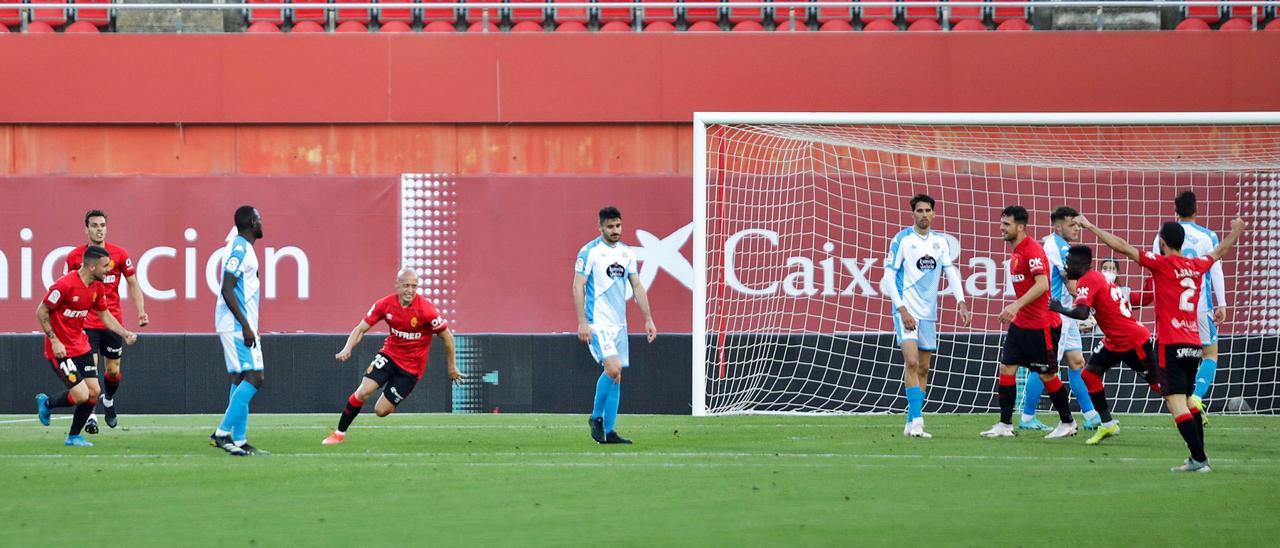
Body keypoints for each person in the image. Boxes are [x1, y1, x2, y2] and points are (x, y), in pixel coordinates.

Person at [1080, 214, 1245, 472]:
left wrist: (1091, 227)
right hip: (1194, 345)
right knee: (1189, 402)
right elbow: (1219, 251)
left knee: (1175, 404)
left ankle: (1199, 459)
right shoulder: (1197, 264)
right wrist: (1235, 232)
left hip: (1171, 344)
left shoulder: (1160, 264)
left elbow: (1121, 246)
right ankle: (1198, 458)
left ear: (1164, 243)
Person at [323, 269, 461, 445]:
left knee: (380, 411)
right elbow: (361, 328)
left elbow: (447, 337)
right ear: (397, 285)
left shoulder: (427, 310)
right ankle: (339, 434)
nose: (410, 290)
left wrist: (452, 367)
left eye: (414, 286)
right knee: (363, 391)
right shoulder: (384, 305)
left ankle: (391, 399)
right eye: (406, 286)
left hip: (411, 369)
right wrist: (347, 347)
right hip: (389, 356)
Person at [980, 206, 1077, 439]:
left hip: (1041, 324)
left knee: (1047, 375)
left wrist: (1015, 306)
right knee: (1006, 368)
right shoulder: (1017, 251)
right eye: (1002, 223)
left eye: (1007, 224)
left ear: (1020, 227)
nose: (1002, 228)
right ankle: (1005, 424)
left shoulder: (1032, 250)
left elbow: (1043, 284)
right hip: (1022, 324)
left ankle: (1068, 422)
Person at [879, 194, 972, 438]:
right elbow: (889, 277)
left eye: (927, 210)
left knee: (923, 367)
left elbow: (951, 273)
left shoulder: (940, 242)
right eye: (919, 210)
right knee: (910, 361)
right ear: (913, 213)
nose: (923, 214)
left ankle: (911, 421)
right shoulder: (902, 239)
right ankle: (918, 420)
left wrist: (961, 301)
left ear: (934, 214)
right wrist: (902, 309)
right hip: (906, 310)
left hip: (928, 313)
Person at [1050, 245, 1160, 445]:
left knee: (1159, 385)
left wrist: (1060, 308)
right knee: (1088, 375)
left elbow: (1082, 313)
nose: (1066, 266)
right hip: (1114, 340)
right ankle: (1107, 423)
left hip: (1131, 340)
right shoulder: (1098, 278)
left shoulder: (1088, 280)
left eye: (1068, 263)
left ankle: (1191, 408)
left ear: (1080, 264)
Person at [35, 245, 138, 447]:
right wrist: (54, 340)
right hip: (60, 350)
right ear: (91, 267)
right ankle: (46, 403)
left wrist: (124, 333)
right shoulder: (64, 285)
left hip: (80, 346)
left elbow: (105, 316)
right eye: (104, 266)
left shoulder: (97, 288)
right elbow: (41, 311)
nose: (108, 270)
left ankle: (73, 437)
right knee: (81, 394)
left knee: (93, 392)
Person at [573, 206, 657, 444]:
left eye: (618, 226)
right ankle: (595, 418)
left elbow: (638, 287)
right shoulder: (589, 252)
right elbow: (578, 286)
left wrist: (648, 319)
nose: (615, 230)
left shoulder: (627, 253)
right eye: (610, 226)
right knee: (612, 369)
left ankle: (609, 432)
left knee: (617, 376)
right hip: (597, 324)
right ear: (600, 227)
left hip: (620, 325)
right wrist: (582, 322)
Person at [64, 209, 149, 433]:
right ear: (87, 229)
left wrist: (141, 311)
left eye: (102, 225)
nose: (99, 229)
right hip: (85, 324)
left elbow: (133, 283)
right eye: (94, 225)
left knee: (112, 372)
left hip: (111, 322)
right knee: (90, 372)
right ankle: (91, 416)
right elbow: (65, 286)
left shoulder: (119, 254)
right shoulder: (74, 257)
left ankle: (108, 399)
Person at [1021, 206, 1101, 430]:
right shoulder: (1058, 246)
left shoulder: (1057, 245)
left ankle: (1091, 415)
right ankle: (1027, 417)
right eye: (1071, 224)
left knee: (1077, 362)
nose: (1076, 228)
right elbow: (1072, 284)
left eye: (1077, 224)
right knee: (1045, 367)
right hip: (1057, 316)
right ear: (1057, 226)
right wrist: (1091, 305)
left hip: (1066, 313)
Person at [1153, 191, 1228, 421]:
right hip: (1200, 305)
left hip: (1172, 311)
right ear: (1196, 209)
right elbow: (1215, 269)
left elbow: (1157, 270)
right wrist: (1222, 304)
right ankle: (1195, 398)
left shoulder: (1162, 236)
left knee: (1177, 360)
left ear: (1175, 211)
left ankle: (1186, 403)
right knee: (1209, 355)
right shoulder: (1208, 236)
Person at [209, 206, 268, 456]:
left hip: (240, 324)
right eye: (260, 219)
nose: (263, 223)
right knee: (255, 377)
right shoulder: (240, 248)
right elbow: (227, 287)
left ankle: (240, 439)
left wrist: (251, 325)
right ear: (253, 222)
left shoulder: (245, 248)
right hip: (235, 325)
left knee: (241, 377)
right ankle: (222, 433)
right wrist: (244, 325)